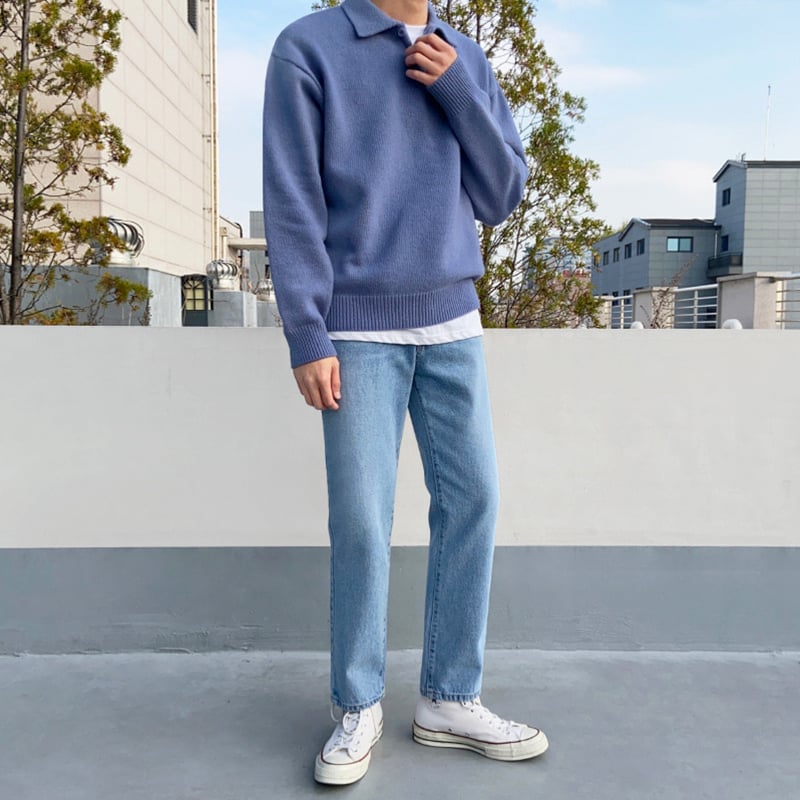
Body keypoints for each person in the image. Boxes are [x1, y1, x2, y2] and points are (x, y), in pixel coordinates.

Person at [262, 0, 548, 785]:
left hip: (454, 321)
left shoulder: (463, 53)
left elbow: (503, 194)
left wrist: (457, 92)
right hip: (355, 331)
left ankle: (450, 697)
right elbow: (293, 201)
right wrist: (308, 332)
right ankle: (357, 704)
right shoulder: (307, 48)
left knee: (474, 501)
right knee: (360, 517)